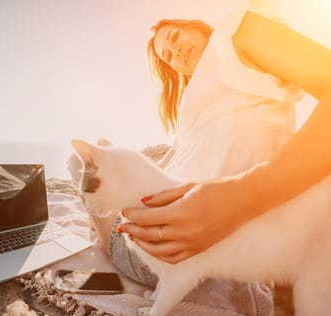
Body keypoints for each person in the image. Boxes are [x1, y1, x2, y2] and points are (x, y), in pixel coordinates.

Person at [118, 5, 331, 265]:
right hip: (160, 236)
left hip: (198, 247)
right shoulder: (200, 104)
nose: (176, 52)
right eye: (168, 56)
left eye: (175, 38)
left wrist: (245, 196)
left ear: (196, 28)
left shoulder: (234, 33)